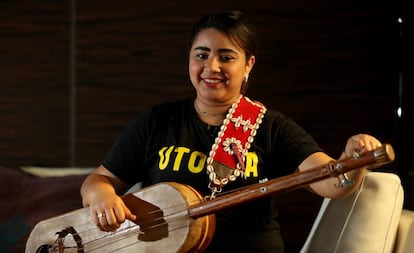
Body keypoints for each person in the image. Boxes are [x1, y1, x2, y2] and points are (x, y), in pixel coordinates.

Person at [80, 10, 382, 253]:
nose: (211, 66)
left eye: (226, 57)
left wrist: (353, 157)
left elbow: (332, 184)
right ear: (189, 59)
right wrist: (102, 197)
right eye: (201, 55)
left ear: (248, 65)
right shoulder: (158, 121)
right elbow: (99, 180)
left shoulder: (270, 126)